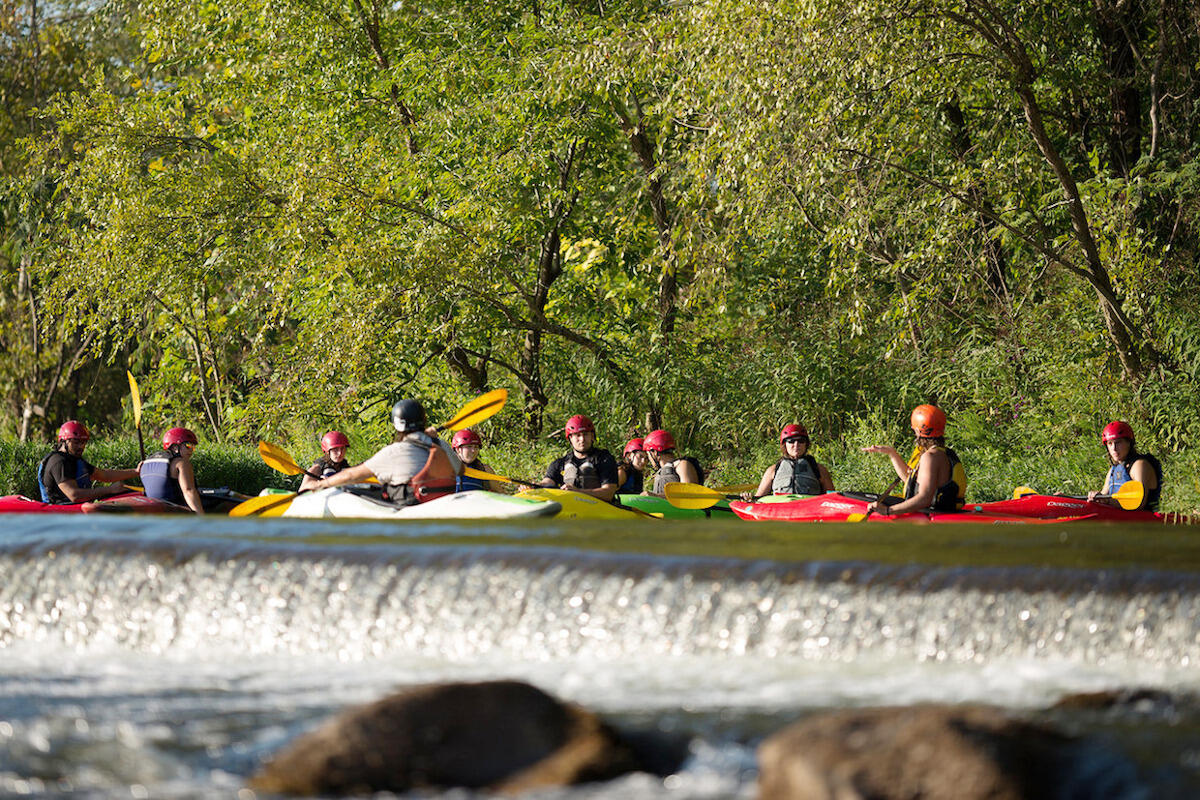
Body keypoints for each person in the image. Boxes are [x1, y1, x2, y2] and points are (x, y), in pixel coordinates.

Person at [309, 399, 462, 505]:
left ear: (397, 425)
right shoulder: (441, 445)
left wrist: (322, 484)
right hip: (443, 501)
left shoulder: (394, 451)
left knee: (354, 489)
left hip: (413, 505)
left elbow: (351, 475)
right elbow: (460, 470)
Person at [863, 404, 966, 516]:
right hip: (938, 511)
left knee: (871, 505)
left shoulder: (930, 457)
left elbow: (924, 499)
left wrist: (888, 511)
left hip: (932, 515)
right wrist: (892, 454)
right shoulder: (941, 453)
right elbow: (911, 481)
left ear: (918, 430)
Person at [37, 420, 140, 505]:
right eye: (76, 442)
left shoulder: (74, 459)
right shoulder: (58, 462)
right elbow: (74, 496)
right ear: (64, 442)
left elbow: (105, 475)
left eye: (83, 442)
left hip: (78, 508)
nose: (81, 447)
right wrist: (110, 489)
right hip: (61, 511)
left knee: (128, 494)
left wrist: (136, 471)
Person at [538, 414, 620, 502]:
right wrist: (535, 487)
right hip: (570, 510)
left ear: (592, 436)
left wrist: (578, 492)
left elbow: (608, 493)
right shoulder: (559, 463)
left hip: (598, 510)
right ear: (570, 438)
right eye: (577, 435)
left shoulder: (604, 459)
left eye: (585, 434)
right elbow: (547, 483)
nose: (582, 439)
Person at [746, 423, 835, 500]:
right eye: (791, 441)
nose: (796, 445)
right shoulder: (772, 470)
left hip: (809, 511)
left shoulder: (819, 469)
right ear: (785, 445)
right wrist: (749, 498)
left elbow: (833, 498)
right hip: (781, 511)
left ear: (806, 444)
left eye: (801, 441)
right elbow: (758, 498)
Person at [1088, 420, 1161, 511]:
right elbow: (1104, 496)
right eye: (1110, 443)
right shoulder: (1113, 470)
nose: (1114, 448)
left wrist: (1107, 501)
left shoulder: (1140, 465)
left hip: (1143, 520)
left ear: (1129, 443)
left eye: (1118, 442)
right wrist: (1096, 497)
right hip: (1119, 520)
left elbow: (1140, 503)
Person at [140, 427, 205, 514]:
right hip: (174, 512)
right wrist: (202, 518)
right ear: (175, 447)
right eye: (188, 445)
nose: (191, 450)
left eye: (193, 447)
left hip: (152, 511)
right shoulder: (182, 463)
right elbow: (189, 491)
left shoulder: (146, 463)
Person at [643, 429, 704, 495]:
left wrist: (656, 497)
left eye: (648, 454)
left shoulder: (682, 465)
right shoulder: (660, 472)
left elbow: (690, 495)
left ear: (654, 452)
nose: (648, 459)